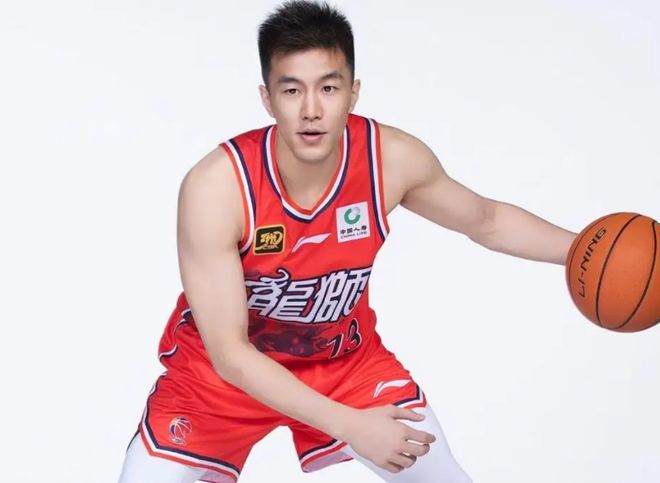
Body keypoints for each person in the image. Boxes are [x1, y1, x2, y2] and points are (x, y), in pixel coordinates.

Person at [118, 1, 578, 482]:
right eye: (292, 90)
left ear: (353, 93)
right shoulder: (217, 187)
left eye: (329, 88)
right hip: (218, 381)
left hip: (342, 364)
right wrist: (351, 425)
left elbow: (487, 220)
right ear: (267, 99)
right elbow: (230, 354)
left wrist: (587, 252)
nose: (311, 110)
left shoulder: (390, 159)